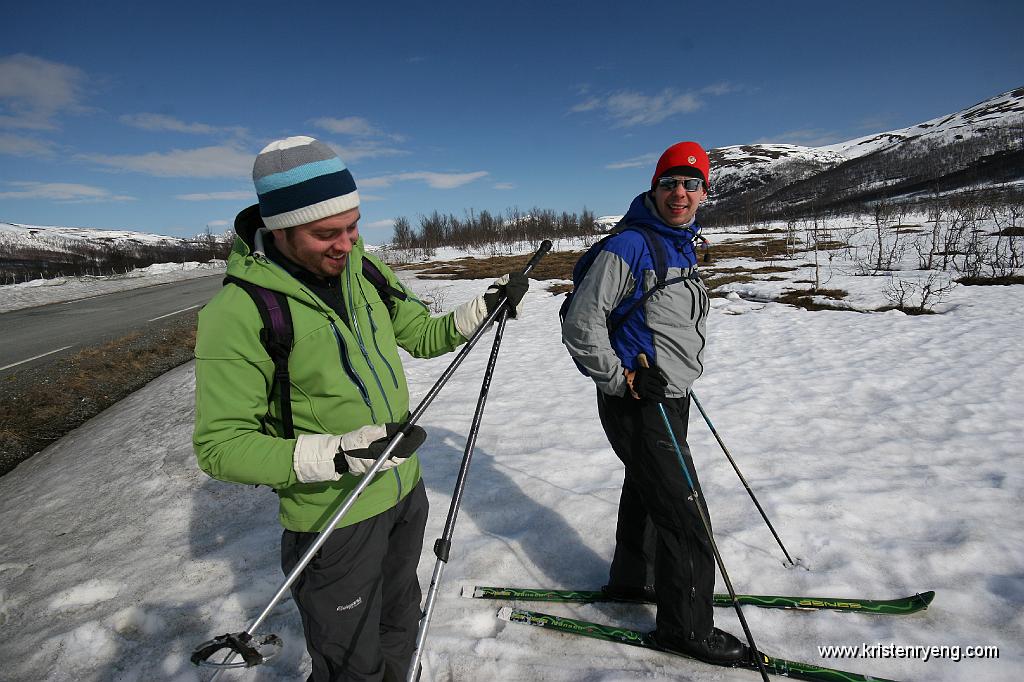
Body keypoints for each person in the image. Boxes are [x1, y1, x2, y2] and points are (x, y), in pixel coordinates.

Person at [193, 135, 528, 681]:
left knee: (400, 622)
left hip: (403, 492)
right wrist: (338, 456)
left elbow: (421, 332)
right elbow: (220, 447)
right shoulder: (239, 311)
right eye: (326, 233)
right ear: (278, 229)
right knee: (350, 661)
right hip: (332, 517)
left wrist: (484, 308)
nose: (345, 244)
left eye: (352, 226)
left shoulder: (364, 272)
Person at [561, 141, 747, 664]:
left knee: (647, 490)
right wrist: (620, 380)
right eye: (670, 183)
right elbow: (582, 323)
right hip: (640, 400)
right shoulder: (632, 245)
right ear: (654, 187)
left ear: (705, 192)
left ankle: (632, 581)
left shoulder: (681, 241)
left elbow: (664, 319)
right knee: (685, 515)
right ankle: (685, 629)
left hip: (670, 394)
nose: (680, 193)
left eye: (692, 184)